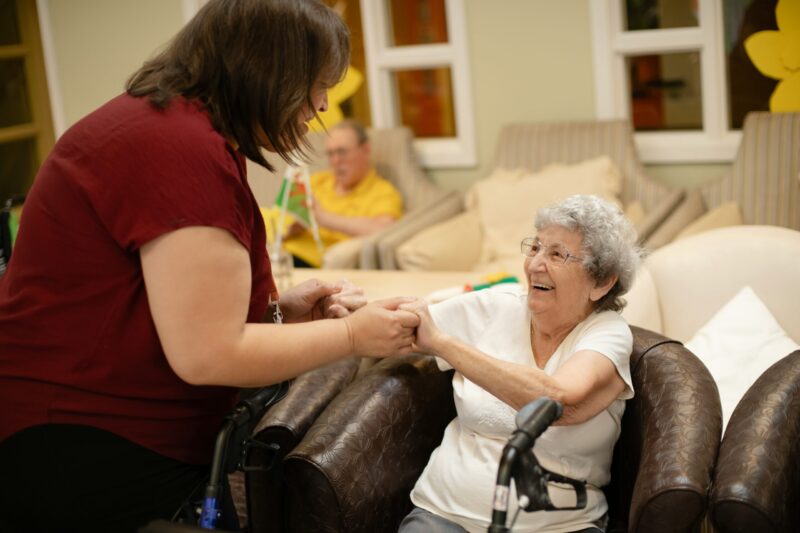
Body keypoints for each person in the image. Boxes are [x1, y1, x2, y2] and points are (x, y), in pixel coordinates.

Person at [0, 1, 419, 532]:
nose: (320, 105)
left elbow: (175, 311)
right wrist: (355, 336)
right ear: (272, 72)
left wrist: (278, 315)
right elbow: (208, 353)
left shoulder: (172, 128)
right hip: (81, 448)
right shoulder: (176, 147)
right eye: (317, 85)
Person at [398, 194, 642, 533]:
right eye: (535, 248)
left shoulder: (607, 334)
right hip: (443, 515)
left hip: (559, 527)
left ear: (602, 282)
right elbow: (404, 326)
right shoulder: (496, 307)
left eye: (557, 254)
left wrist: (443, 344)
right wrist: (343, 318)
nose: (534, 265)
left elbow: (554, 397)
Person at [280, 119, 403, 267]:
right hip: (280, 255)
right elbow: (280, 220)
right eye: (330, 154)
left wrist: (324, 218)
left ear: (365, 150)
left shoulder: (382, 191)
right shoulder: (316, 181)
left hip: (314, 263)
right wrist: (293, 227)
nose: (335, 161)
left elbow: (385, 230)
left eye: (342, 152)